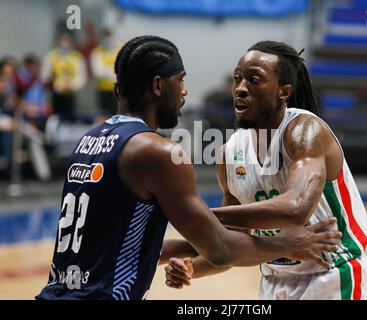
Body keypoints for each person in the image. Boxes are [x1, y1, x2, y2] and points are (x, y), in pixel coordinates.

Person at [35, 36, 341, 300]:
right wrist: (285, 244)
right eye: (180, 79)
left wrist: (195, 247)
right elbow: (221, 245)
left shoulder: (89, 140)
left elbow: (127, 243)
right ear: (158, 85)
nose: (184, 91)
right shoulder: (158, 152)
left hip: (56, 291)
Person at [164, 41, 367, 300]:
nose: (241, 88)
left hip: (333, 275)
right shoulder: (230, 153)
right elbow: (231, 242)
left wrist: (202, 215)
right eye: (237, 79)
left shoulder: (305, 132)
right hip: (274, 282)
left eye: (254, 80)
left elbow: (296, 208)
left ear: (283, 91)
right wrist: (191, 268)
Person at [41, 33, 87, 120]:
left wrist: (71, 86)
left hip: (71, 94)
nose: (65, 42)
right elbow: (45, 75)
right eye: (63, 39)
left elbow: (81, 77)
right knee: (55, 118)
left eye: (67, 40)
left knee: (70, 119)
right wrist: (52, 81)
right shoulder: (51, 56)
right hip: (55, 95)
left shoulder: (77, 57)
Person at [90, 29, 122, 117]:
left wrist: (107, 71)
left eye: (109, 36)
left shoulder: (119, 50)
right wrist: (113, 72)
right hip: (103, 89)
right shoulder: (97, 52)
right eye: (105, 37)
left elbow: (123, 68)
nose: (108, 39)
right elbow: (98, 72)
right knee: (104, 115)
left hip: (118, 90)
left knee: (118, 114)